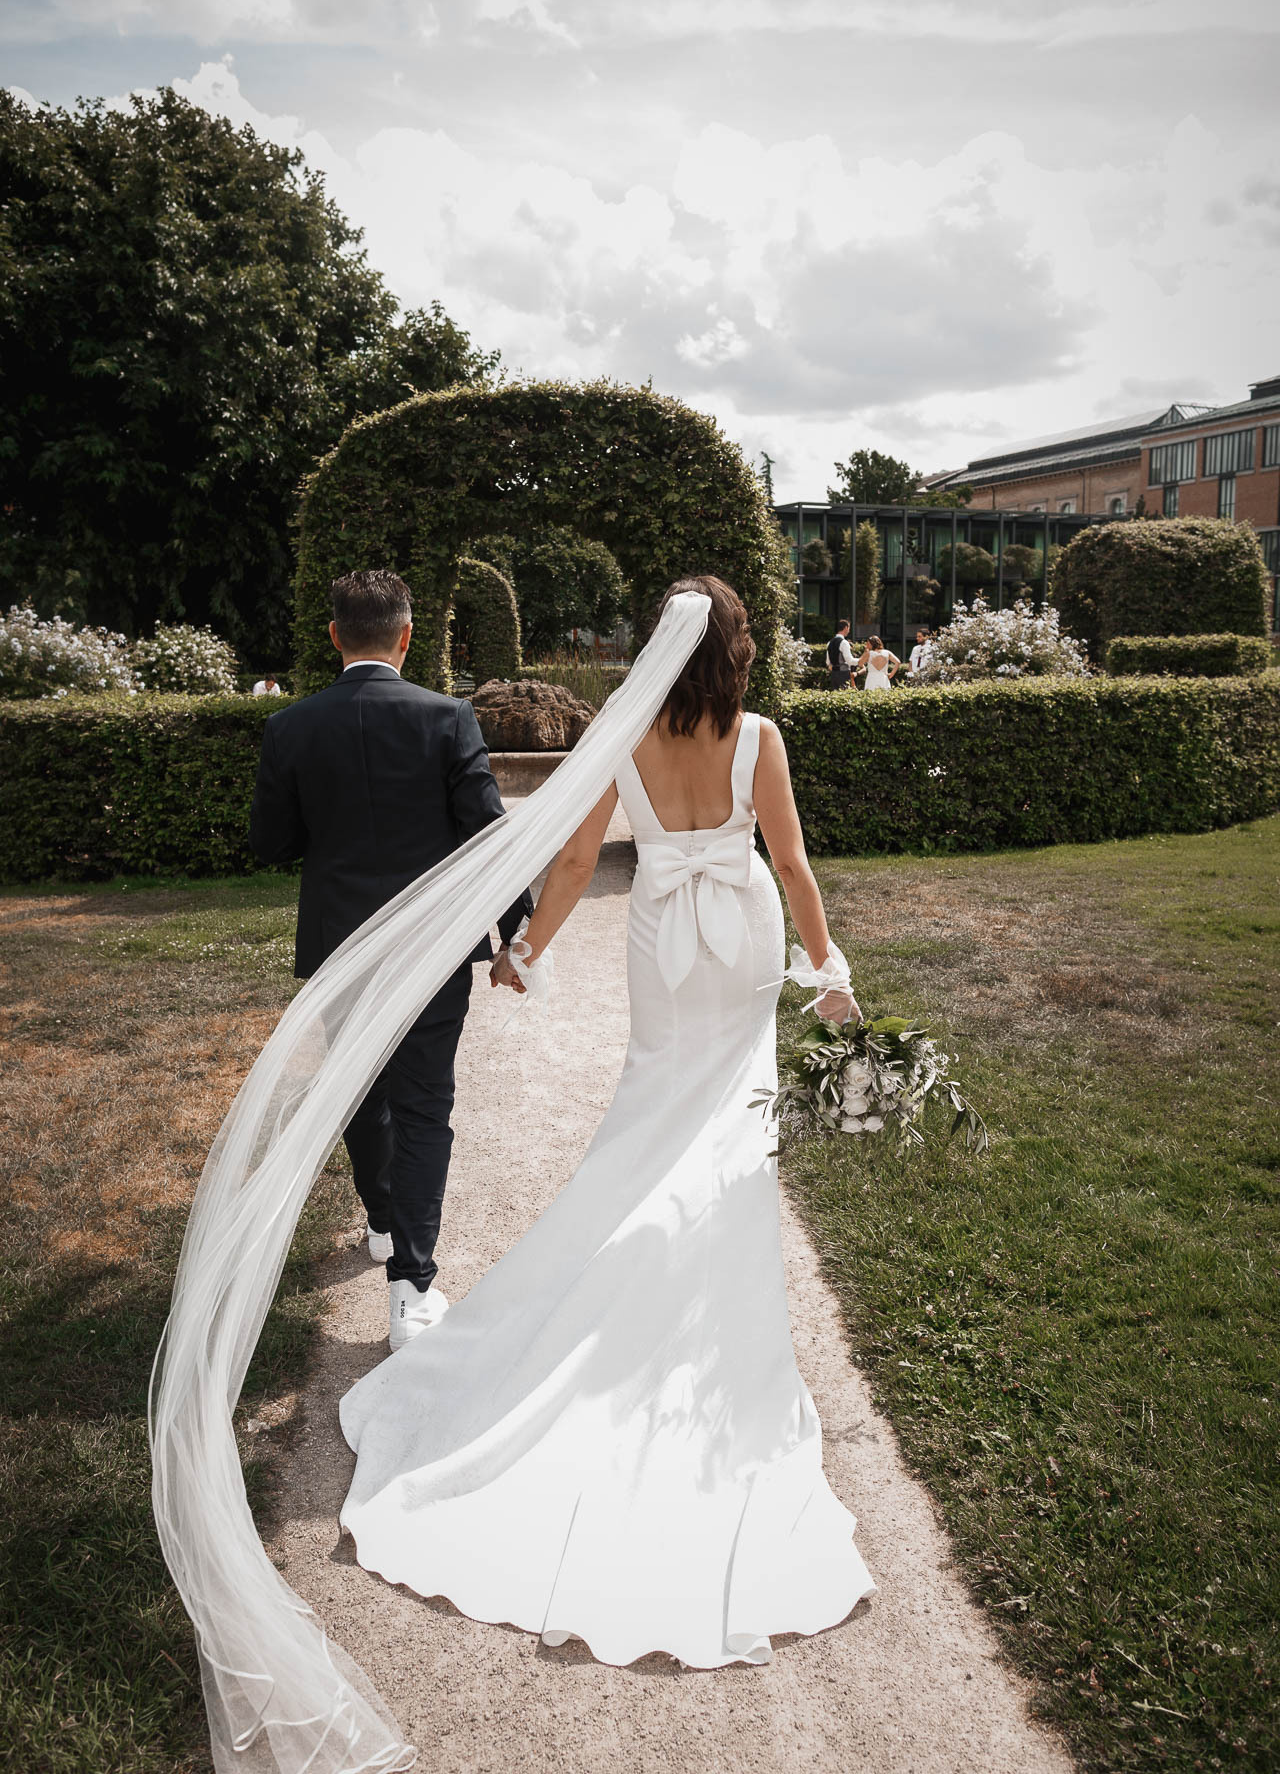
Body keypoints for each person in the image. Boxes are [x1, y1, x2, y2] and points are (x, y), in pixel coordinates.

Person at [152, 577, 874, 1772]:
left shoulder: (620, 735)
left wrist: (529, 951)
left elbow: (579, 853)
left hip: (661, 940)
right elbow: (790, 864)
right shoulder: (760, 737)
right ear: (738, 650)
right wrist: (828, 968)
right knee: (723, 1127)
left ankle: (523, 1284)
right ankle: (698, 1296)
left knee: (648, 1108)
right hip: (738, 931)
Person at [248, 569, 532, 1349]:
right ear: (407, 636)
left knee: (359, 1090)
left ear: (334, 635)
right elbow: (488, 833)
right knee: (423, 1105)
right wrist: (515, 932)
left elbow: (270, 843)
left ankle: (381, 1217)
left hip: (342, 945)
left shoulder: (292, 727)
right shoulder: (449, 718)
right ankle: (411, 1284)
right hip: (433, 946)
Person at [823, 616, 855, 689]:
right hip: (844, 674)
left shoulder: (829, 642)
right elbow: (849, 661)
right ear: (846, 628)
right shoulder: (844, 643)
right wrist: (860, 661)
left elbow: (828, 662)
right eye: (849, 628)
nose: (849, 631)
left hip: (834, 675)